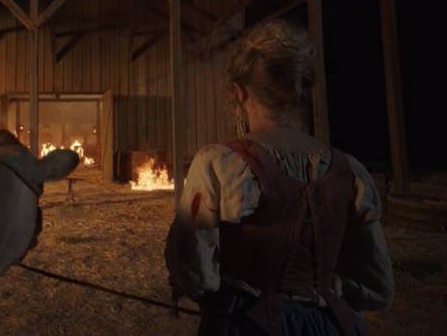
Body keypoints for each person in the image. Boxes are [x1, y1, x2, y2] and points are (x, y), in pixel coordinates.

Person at [165, 20, 393, 336]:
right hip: (329, 327)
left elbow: (196, 273)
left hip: (246, 325)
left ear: (239, 93)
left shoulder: (219, 164)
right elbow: (378, 286)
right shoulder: (349, 170)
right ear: (300, 92)